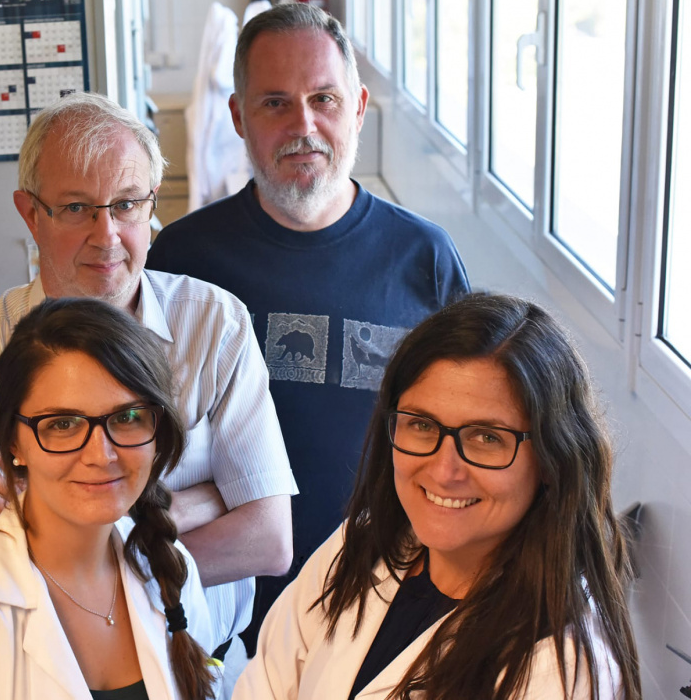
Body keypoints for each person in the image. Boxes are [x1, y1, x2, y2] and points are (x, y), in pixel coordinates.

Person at [0, 91, 297, 687]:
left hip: (207, 669)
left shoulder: (215, 324)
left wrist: (61, 527)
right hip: (48, 673)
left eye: (126, 204)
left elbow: (269, 540)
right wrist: (203, 500)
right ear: (30, 213)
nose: (108, 234)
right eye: (76, 208)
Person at [146, 2, 470, 647]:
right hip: (225, 610)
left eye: (324, 98)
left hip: (388, 603)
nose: (304, 125)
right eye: (274, 103)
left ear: (358, 106)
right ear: (239, 117)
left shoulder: (424, 259)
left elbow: (470, 432)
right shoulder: (182, 262)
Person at [235, 293, 641, 700]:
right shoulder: (359, 543)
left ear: (554, 460)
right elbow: (264, 685)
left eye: (487, 438)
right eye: (422, 425)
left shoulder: (561, 667)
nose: (445, 471)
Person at [0, 299, 220, 698]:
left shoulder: (172, 573)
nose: (101, 455)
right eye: (62, 424)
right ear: (13, 441)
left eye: (127, 417)